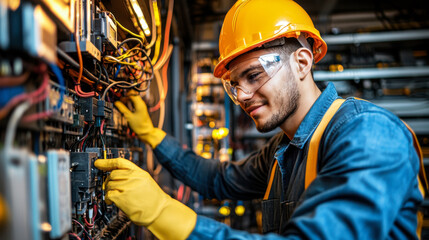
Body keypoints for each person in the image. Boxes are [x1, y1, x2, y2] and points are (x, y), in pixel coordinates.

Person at [94, 0, 428, 239]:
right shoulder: (283, 150)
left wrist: (164, 214)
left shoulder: (368, 134)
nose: (241, 96)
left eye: (254, 75)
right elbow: (216, 180)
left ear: (302, 62)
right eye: (234, 84)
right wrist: (151, 134)